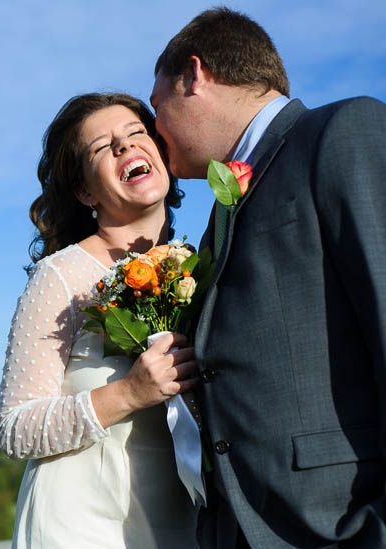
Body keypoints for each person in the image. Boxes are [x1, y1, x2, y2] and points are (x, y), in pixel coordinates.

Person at [150, 7, 386, 548]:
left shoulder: (342, 133)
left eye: (158, 107)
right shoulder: (219, 212)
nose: (155, 131)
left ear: (195, 75)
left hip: (338, 522)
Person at [0, 92, 199, 548]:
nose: (125, 147)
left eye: (135, 134)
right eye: (103, 147)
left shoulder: (199, 266)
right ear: (85, 192)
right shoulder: (62, 275)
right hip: (79, 526)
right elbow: (15, 428)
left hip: (183, 524)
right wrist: (129, 392)